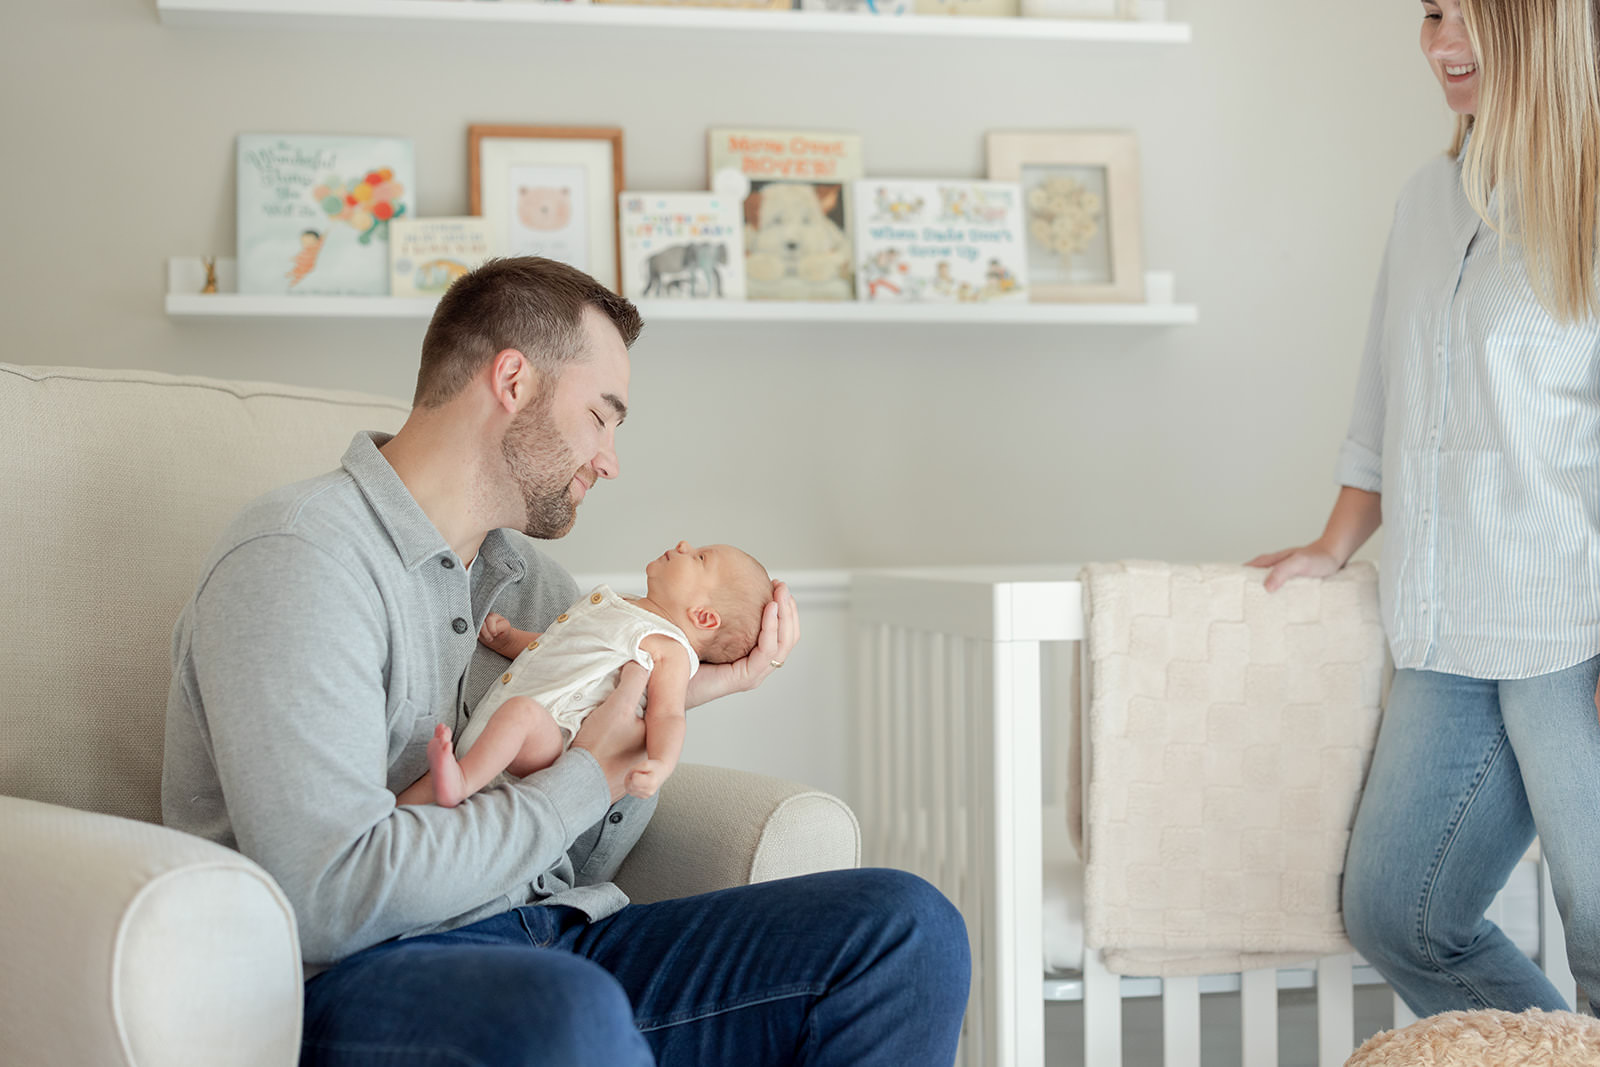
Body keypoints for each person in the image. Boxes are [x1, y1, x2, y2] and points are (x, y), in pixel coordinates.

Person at [161, 255, 970, 1065]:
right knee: (570, 1012)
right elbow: (329, 896)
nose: (610, 458)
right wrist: (580, 777)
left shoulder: (539, 587)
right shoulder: (301, 556)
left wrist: (696, 683)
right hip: (362, 974)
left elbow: (580, 857)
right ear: (513, 381)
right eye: (601, 417)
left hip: (563, 941)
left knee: (906, 927)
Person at [1248, 0, 1600, 1017]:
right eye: (1431, 12)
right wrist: (1335, 541)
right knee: (1398, 911)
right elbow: (1386, 390)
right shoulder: (1424, 199)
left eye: (1469, 17)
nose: (1440, 43)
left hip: (1572, 631)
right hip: (1444, 629)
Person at [397, 541, 772, 807]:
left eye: (700, 558)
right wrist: (510, 639)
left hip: (550, 738)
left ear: (703, 616)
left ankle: (463, 782)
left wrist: (660, 764)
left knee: (520, 715)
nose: (684, 545)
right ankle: (397, 815)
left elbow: (668, 715)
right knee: (421, 794)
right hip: (497, 735)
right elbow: (560, 646)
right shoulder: (621, 606)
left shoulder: (669, 649)